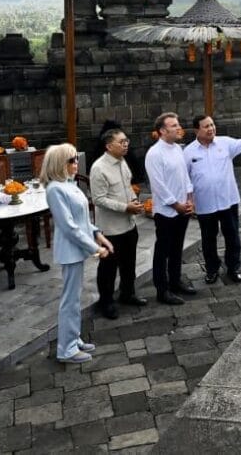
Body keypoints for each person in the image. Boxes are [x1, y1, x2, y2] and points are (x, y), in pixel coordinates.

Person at [42, 143, 114, 363]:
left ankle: (73, 338)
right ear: (60, 164)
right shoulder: (55, 189)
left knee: (75, 298)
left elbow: (82, 220)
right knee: (70, 300)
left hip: (78, 249)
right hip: (71, 251)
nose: (76, 164)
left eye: (75, 159)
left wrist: (98, 235)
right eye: (71, 160)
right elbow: (69, 226)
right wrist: (95, 248)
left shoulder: (69, 185)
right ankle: (66, 348)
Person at [184, 115, 241, 284]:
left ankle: (233, 267)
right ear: (197, 130)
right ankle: (212, 269)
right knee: (208, 239)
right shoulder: (188, 152)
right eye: (206, 126)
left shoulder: (225, 143)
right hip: (205, 203)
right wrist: (189, 200)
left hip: (227, 200)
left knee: (232, 236)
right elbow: (185, 179)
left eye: (212, 125)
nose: (211, 129)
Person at [89, 127, 147, 319]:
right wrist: (125, 207)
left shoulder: (123, 162)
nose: (125, 144)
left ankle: (127, 293)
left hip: (129, 224)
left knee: (129, 262)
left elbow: (128, 185)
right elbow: (98, 199)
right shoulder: (99, 168)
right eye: (121, 142)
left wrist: (134, 202)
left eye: (126, 141)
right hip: (110, 229)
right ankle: (106, 302)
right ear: (108, 146)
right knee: (108, 268)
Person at [144, 112, 194, 305]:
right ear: (163, 130)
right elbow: (158, 185)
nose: (178, 127)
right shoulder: (154, 154)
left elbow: (184, 176)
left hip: (183, 208)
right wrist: (176, 204)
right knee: (162, 251)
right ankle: (162, 290)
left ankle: (175, 281)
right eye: (173, 125)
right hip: (167, 212)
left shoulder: (177, 149)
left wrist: (189, 198)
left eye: (178, 124)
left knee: (177, 249)